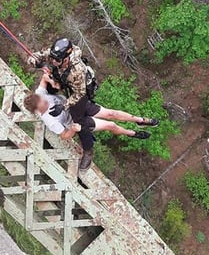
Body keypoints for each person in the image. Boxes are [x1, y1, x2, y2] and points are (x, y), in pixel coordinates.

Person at [27, 38, 157, 168]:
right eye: (53, 59)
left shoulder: (77, 70)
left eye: (57, 61)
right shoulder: (55, 56)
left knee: (110, 113)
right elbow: (34, 58)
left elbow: (79, 93)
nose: (54, 62)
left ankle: (140, 120)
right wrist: (37, 63)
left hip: (77, 93)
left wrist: (63, 106)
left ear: (66, 59)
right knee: (107, 125)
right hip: (72, 112)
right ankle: (129, 135)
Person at [23, 72, 153, 170]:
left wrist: (52, 83)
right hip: (78, 120)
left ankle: (139, 120)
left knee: (110, 113)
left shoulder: (40, 94)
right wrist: (73, 129)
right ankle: (132, 133)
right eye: (41, 103)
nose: (44, 100)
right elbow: (64, 136)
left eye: (41, 99)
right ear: (37, 109)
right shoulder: (49, 120)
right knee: (110, 125)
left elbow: (45, 77)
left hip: (77, 105)